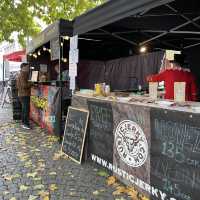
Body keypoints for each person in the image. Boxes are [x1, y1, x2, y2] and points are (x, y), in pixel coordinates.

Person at [16, 63, 31, 129]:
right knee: (26, 110)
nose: (28, 68)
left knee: (24, 109)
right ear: (23, 67)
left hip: (22, 94)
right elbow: (24, 85)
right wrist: (32, 83)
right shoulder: (22, 74)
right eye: (27, 67)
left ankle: (24, 123)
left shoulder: (21, 74)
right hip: (24, 94)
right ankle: (25, 124)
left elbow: (18, 86)